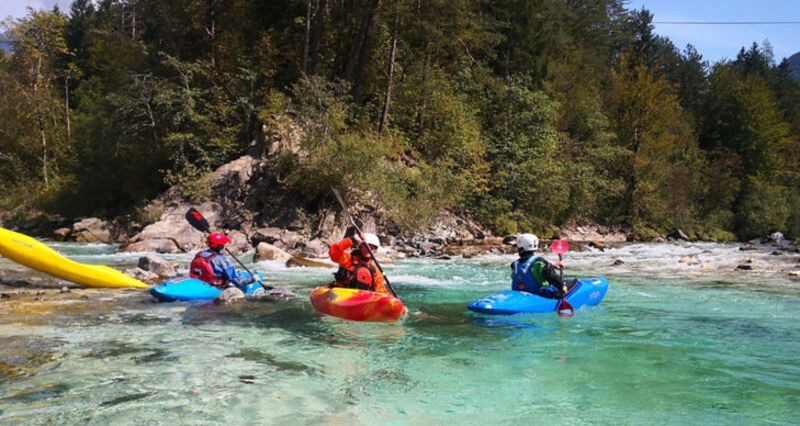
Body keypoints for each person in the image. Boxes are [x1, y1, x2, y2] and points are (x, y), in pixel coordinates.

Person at [510, 233, 574, 299]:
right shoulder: (540, 262)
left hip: (519, 296)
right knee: (570, 285)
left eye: (518, 248)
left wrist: (551, 265)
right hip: (539, 297)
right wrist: (562, 286)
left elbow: (527, 267)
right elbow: (552, 276)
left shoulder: (515, 264)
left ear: (521, 249)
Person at [190, 233, 262, 289]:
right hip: (215, 286)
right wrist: (252, 279)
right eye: (224, 244)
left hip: (200, 281)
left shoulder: (200, 254)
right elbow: (236, 281)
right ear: (220, 246)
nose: (225, 246)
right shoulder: (222, 259)